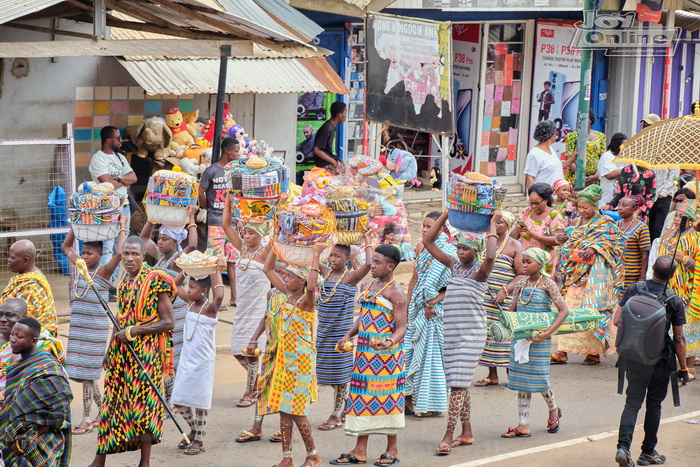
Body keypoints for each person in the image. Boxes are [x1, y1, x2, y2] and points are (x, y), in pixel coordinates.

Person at [88, 236, 175, 467]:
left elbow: (168, 322)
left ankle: (144, 462)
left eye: (135, 254)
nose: (129, 258)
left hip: (145, 355)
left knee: (144, 407)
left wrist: (135, 332)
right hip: (122, 352)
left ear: (143, 255)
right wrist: (109, 348)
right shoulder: (125, 281)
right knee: (112, 404)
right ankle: (99, 460)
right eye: (125, 254)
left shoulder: (155, 280)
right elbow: (120, 319)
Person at [420, 211, 499, 454]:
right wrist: (446, 215)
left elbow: (492, 256)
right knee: (460, 384)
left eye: (466, 248)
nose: (461, 252)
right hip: (452, 333)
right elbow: (428, 242)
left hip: (472, 336)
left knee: (457, 386)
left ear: (476, 251)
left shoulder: (480, 272)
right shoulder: (454, 266)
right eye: (459, 248)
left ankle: (448, 435)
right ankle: (467, 432)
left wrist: (492, 225)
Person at [332, 245, 407, 466]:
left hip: (388, 360)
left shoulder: (396, 293)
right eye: (372, 261)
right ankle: (360, 450)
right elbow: (363, 317)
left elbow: (402, 327)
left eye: (377, 262)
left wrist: (388, 342)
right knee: (362, 399)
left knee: (387, 399)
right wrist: (348, 335)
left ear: (390, 266)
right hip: (364, 357)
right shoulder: (367, 285)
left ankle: (392, 449)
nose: (372, 266)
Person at [613, 255, 688, 467]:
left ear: (652, 268)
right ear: (672, 276)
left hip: (634, 356)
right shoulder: (673, 300)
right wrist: (684, 368)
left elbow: (617, 320)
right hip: (660, 359)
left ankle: (623, 447)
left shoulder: (633, 289)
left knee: (632, 402)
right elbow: (679, 338)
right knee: (654, 405)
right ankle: (647, 452)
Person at [61, 218, 127, 435]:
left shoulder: (103, 273)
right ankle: (105, 412)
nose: (84, 256)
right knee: (84, 374)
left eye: (89, 253)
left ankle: (86, 419)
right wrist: (78, 224)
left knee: (89, 376)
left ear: (100, 255)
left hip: (95, 332)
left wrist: (122, 226)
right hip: (79, 330)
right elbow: (66, 246)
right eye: (84, 252)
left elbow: (119, 253)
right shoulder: (80, 267)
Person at [263, 248, 322, 467]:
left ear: (303, 280)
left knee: (297, 412)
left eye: (290, 276)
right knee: (284, 411)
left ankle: (313, 455)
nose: (285, 278)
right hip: (284, 362)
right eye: (285, 275)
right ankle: (287, 457)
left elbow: (313, 286)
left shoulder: (307, 301)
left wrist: (316, 255)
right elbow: (268, 268)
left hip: (301, 365)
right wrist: (272, 245)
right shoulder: (287, 295)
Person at [501, 248, 569, 439]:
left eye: (528, 262)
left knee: (539, 378)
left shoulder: (549, 284)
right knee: (522, 380)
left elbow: (564, 311)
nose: (523, 265)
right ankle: (523, 425)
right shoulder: (521, 284)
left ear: (540, 264)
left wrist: (547, 332)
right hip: (520, 338)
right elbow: (512, 309)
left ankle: (553, 410)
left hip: (540, 340)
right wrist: (505, 323)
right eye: (522, 261)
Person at [554, 185, 625, 365]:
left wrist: (595, 248)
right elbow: (570, 240)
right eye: (579, 207)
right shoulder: (576, 223)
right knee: (569, 311)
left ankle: (593, 352)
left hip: (596, 278)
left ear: (595, 205)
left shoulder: (606, 223)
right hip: (576, 274)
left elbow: (616, 243)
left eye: (585, 207)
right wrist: (562, 239)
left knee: (593, 312)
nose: (581, 210)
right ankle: (562, 351)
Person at [139, 207, 198, 400]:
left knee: (174, 355)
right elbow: (144, 239)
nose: (160, 242)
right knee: (164, 354)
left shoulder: (176, 260)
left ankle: (172, 399)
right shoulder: (160, 259)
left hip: (176, 313)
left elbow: (193, 243)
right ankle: (170, 397)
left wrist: (191, 217)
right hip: (162, 312)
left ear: (175, 242)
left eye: (165, 239)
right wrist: (153, 216)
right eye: (160, 238)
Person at [0, 317, 73, 467]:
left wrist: (24, 440)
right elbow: (11, 398)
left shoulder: (48, 368)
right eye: (12, 335)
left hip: (40, 437)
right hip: (11, 432)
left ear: (34, 341)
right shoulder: (15, 360)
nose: (12, 339)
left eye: (19, 337)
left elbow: (60, 407)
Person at [316, 238, 372, 430]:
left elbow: (369, 264)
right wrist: (318, 248)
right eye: (331, 255)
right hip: (323, 331)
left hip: (341, 334)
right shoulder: (325, 273)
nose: (333, 259)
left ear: (347, 258)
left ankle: (336, 414)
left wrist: (368, 241)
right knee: (327, 374)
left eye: (338, 256)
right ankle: (347, 404)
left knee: (340, 376)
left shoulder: (351, 277)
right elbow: (312, 266)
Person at [170, 263, 225, 456]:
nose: (189, 290)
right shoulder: (190, 303)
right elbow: (173, 286)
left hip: (202, 361)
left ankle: (199, 440)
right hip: (187, 358)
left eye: (193, 288)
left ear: (203, 291)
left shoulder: (210, 308)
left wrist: (216, 270)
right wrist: (186, 272)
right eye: (189, 287)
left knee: (200, 402)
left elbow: (219, 295)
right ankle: (194, 428)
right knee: (178, 399)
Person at [403, 213, 455, 417]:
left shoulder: (448, 250)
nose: (424, 230)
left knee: (430, 358)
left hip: (434, 311)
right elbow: (415, 279)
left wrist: (432, 301)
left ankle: (427, 404)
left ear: (441, 229)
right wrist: (408, 308)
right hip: (418, 307)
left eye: (429, 226)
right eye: (423, 226)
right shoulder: (422, 248)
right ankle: (409, 399)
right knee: (409, 351)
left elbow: (449, 284)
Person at [222, 197, 271, 407]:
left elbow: (276, 235)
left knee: (251, 353)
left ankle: (250, 392)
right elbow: (225, 225)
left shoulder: (265, 252)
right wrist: (229, 201)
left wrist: (277, 209)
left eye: (252, 233)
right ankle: (262, 381)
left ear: (261, 234)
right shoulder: (242, 249)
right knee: (236, 350)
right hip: (242, 309)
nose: (247, 236)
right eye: (246, 233)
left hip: (259, 309)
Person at [235, 261, 288, 444]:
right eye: (277, 272)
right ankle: (256, 427)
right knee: (262, 386)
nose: (280, 277)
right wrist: (254, 338)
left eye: (285, 273)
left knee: (285, 389)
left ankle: (285, 428)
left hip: (288, 351)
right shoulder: (271, 293)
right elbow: (266, 317)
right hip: (271, 348)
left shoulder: (295, 296)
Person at [475, 211, 526, 387]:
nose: (496, 225)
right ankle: (492, 375)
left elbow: (521, 275)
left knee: (505, 335)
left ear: (509, 226)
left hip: (504, 298)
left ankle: (512, 375)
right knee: (488, 334)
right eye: (493, 222)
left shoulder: (515, 245)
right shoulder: (483, 242)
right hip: (484, 296)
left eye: (500, 222)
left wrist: (505, 290)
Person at [199, 137, 241, 309]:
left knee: (234, 261)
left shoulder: (236, 171)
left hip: (233, 224)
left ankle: (235, 298)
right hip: (215, 222)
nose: (238, 154)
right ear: (227, 151)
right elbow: (201, 192)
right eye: (236, 151)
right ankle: (218, 298)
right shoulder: (211, 171)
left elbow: (239, 196)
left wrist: (238, 219)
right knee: (216, 262)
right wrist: (206, 205)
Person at [89, 126, 137, 269]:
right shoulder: (98, 159)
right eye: (118, 138)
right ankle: (105, 281)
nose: (121, 141)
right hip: (108, 206)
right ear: (109, 140)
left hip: (124, 206)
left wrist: (117, 178)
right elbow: (107, 184)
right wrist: (123, 181)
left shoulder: (120, 157)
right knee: (108, 245)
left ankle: (112, 284)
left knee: (121, 245)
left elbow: (133, 178)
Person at [1, 239, 58, 336]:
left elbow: (19, 320)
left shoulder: (31, 286)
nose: (9, 260)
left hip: (27, 337)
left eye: (13, 258)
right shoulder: (22, 279)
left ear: (26, 260)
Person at [512, 183, 567, 267]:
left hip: (545, 262)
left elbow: (558, 240)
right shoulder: (526, 212)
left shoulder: (554, 216)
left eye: (537, 203)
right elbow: (514, 238)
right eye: (531, 203)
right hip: (526, 261)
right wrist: (517, 229)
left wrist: (535, 236)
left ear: (546, 200)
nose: (533, 206)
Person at [523, 121, 575, 191]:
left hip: (556, 197)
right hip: (543, 197)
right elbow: (530, 177)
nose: (556, 135)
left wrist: (572, 159)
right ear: (550, 135)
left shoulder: (550, 149)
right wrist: (532, 197)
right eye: (555, 133)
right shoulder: (534, 154)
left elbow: (557, 167)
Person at [563, 109, 607, 185]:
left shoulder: (601, 136)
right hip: (576, 178)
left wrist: (596, 175)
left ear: (591, 120)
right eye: (579, 118)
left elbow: (603, 159)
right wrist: (581, 177)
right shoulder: (571, 136)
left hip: (595, 179)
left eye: (585, 118)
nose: (581, 121)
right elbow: (569, 160)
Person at [616, 196, 652, 288]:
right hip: (616, 274)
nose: (620, 208)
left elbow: (645, 254)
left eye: (624, 205)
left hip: (632, 275)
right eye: (619, 204)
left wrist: (642, 278)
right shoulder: (616, 224)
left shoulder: (641, 227)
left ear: (634, 209)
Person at [648, 165, 680, 241]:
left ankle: (658, 248)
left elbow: (674, 179)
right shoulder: (651, 158)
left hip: (664, 196)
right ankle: (651, 250)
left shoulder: (672, 159)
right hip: (650, 195)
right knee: (650, 226)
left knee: (658, 227)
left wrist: (662, 193)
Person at [313, 101, 346, 172]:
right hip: (324, 165)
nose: (346, 116)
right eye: (345, 113)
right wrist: (334, 162)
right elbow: (317, 150)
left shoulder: (331, 127)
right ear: (339, 115)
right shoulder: (327, 128)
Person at [598, 133, 627, 208]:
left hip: (622, 200)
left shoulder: (626, 158)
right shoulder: (607, 156)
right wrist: (629, 169)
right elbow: (610, 175)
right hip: (608, 198)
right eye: (623, 144)